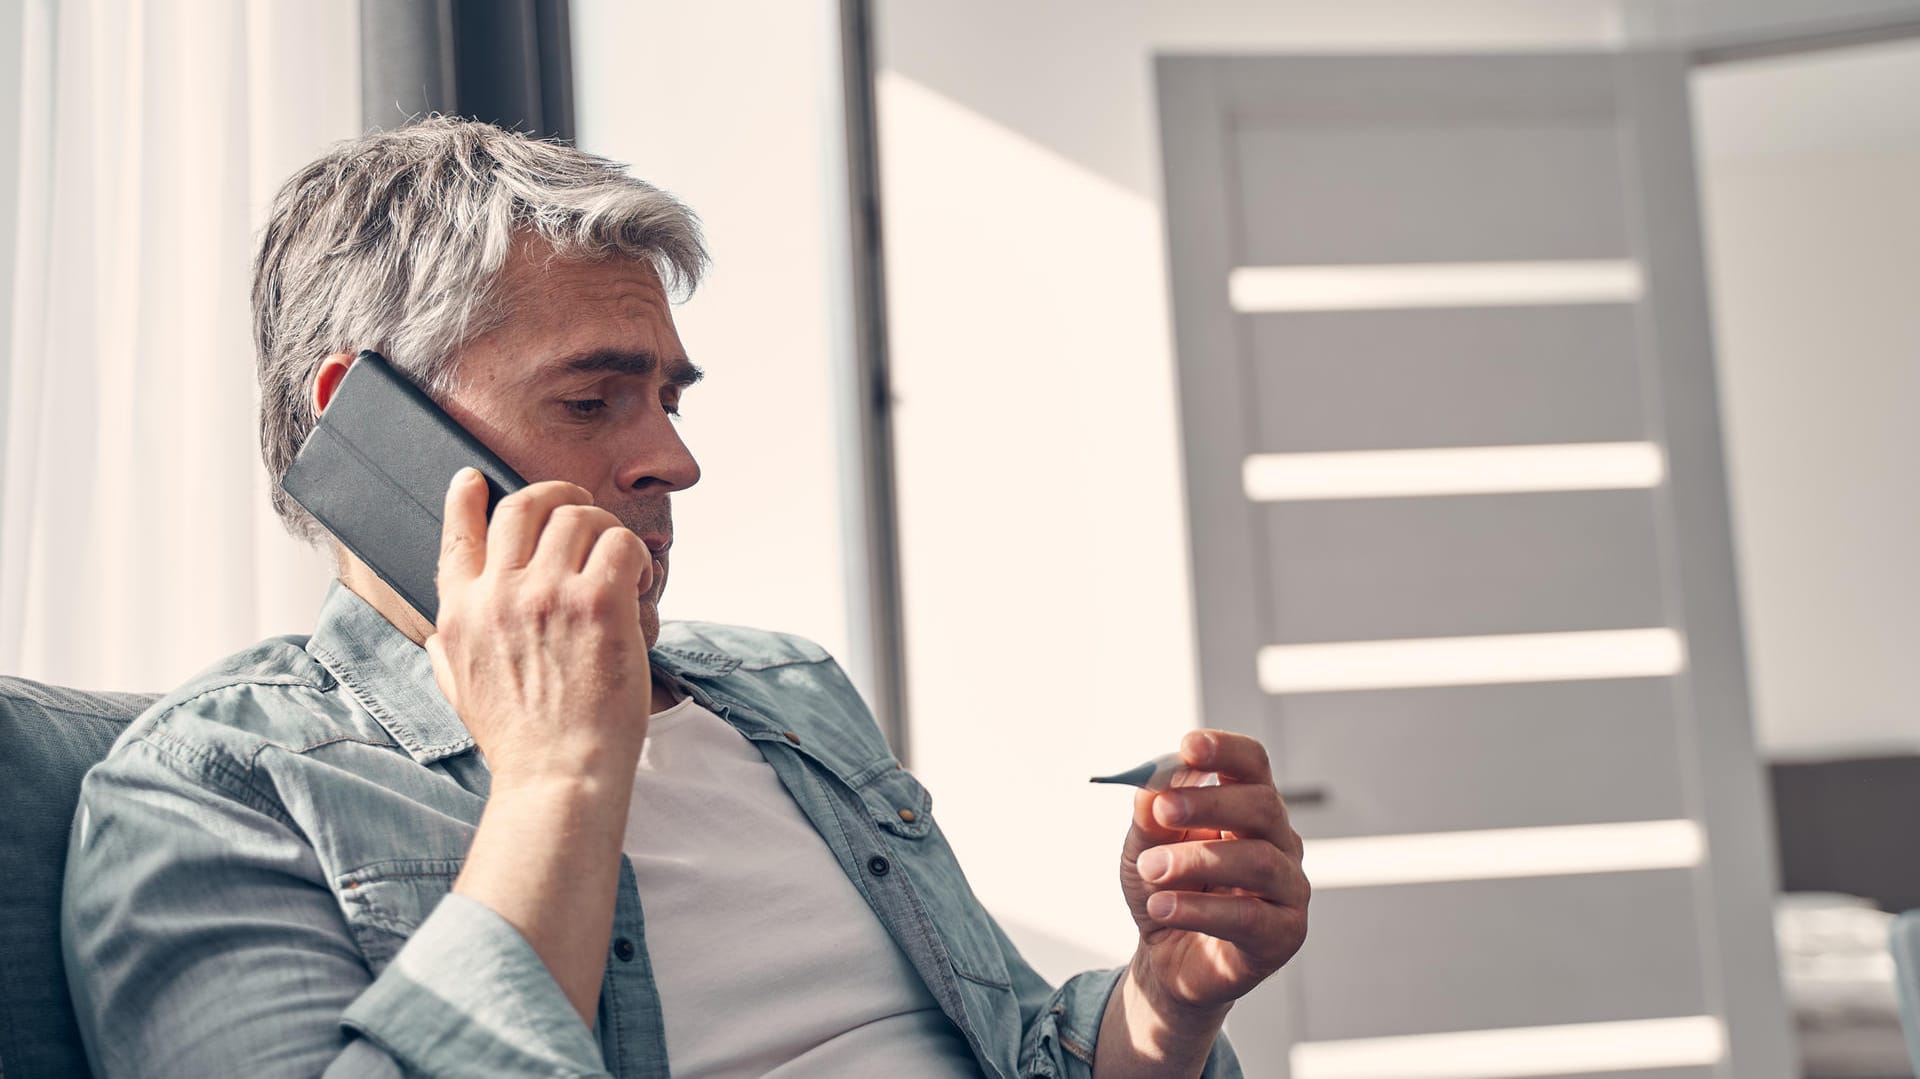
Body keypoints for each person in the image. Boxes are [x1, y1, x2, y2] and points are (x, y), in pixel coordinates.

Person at [60, 118, 1308, 1078]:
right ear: (364, 421)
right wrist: (555, 779)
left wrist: (1166, 999)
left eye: (672, 396)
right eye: (594, 398)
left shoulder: (783, 688)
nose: (675, 458)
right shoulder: (216, 785)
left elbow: (1013, 1046)